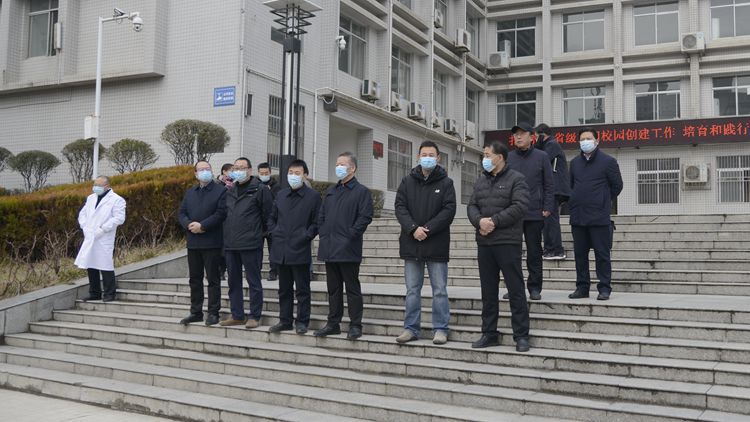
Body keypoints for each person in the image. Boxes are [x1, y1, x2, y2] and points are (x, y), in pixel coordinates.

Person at [467, 141, 531, 352]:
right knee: (488, 291)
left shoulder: (517, 179)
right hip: (485, 242)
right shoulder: (481, 180)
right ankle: (489, 333)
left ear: (500, 157)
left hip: (507, 242)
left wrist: (493, 221)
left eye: (487, 155)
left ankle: (521, 335)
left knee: (515, 290)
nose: (484, 159)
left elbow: (519, 206)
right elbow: (472, 205)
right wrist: (479, 222)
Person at [394, 141, 456, 345]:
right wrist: (413, 229)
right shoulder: (407, 181)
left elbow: (448, 210)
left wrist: (427, 229)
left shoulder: (446, 183)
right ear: (418, 157)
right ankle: (411, 328)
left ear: (438, 158)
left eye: (431, 154)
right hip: (412, 243)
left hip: (436, 243)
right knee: (412, 289)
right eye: (424, 154)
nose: (427, 157)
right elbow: (400, 207)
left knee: (439, 290)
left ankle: (441, 328)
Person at [314, 152, 373, 340]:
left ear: (352, 168)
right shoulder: (332, 191)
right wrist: (323, 232)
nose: (338, 167)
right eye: (337, 164)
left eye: (342, 164)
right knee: (333, 289)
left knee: (352, 288)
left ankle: (355, 325)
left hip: (348, 247)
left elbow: (365, 217)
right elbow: (321, 215)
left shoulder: (361, 192)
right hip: (329, 246)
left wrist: (350, 235)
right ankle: (333, 323)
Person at [568, 127, 623, 301]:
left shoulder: (608, 161)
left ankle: (604, 288)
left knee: (602, 255)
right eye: (582, 139)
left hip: (599, 217)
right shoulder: (574, 163)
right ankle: (582, 287)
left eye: (589, 138)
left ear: (597, 141)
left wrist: (603, 200)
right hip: (578, 216)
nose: (585, 142)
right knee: (580, 256)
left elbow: (617, 186)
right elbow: (571, 186)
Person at [267, 159, 321, 335]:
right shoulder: (281, 195)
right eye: (290, 173)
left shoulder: (313, 196)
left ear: (305, 175)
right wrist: (274, 232)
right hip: (281, 249)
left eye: (297, 173)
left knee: (302, 289)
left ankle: (302, 321)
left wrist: (306, 236)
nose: (293, 176)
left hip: (300, 248)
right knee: (284, 289)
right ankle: (285, 320)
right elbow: (271, 217)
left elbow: (317, 222)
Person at [219, 158, 274, 328]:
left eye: (242, 168)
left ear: (250, 170)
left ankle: (254, 316)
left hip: (251, 243)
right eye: (236, 168)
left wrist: (259, 233)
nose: (239, 170)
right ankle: (237, 315)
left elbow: (268, 215)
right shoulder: (229, 190)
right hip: (231, 244)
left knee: (254, 282)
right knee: (233, 282)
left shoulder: (260, 189)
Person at [506, 123, 554, 301]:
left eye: (522, 134)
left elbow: (549, 184)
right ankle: (514, 288)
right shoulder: (508, 157)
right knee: (512, 254)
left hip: (534, 212)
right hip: (512, 213)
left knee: (534, 252)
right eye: (515, 134)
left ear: (532, 136)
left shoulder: (542, 156)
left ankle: (534, 287)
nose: (518, 137)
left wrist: (548, 206)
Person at [178, 161, 227, 326]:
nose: (205, 172)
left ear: (212, 171)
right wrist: (188, 224)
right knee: (195, 279)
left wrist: (203, 226)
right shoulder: (190, 192)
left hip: (212, 242)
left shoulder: (220, 191)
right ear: (195, 174)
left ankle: (213, 312)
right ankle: (196, 312)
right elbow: (182, 213)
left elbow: (221, 213)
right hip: (193, 242)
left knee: (213, 279)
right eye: (201, 170)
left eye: (207, 169)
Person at [75, 176, 127, 302]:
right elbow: (83, 214)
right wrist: (85, 227)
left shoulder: (117, 200)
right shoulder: (91, 198)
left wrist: (103, 229)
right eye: (95, 185)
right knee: (91, 264)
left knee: (105, 265)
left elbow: (119, 218)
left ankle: (109, 293)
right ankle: (95, 293)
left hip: (104, 237)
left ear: (107, 186)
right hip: (90, 236)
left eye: (99, 185)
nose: (95, 188)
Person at [534, 123, 571, 260]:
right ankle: (550, 248)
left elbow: (539, 160)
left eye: (536, 136)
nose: (534, 140)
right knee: (548, 219)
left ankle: (556, 249)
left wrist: (535, 147)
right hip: (552, 189)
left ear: (542, 135)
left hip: (554, 189)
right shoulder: (549, 145)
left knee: (551, 219)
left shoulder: (552, 145)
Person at [257, 162, 281, 281]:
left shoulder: (276, 186)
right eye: (261, 173)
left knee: (273, 249)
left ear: (270, 172)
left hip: (272, 222)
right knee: (257, 250)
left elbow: (278, 202)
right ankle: (257, 270)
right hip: (258, 223)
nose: (264, 175)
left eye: (266, 173)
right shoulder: (255, 185)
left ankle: (274, 271)